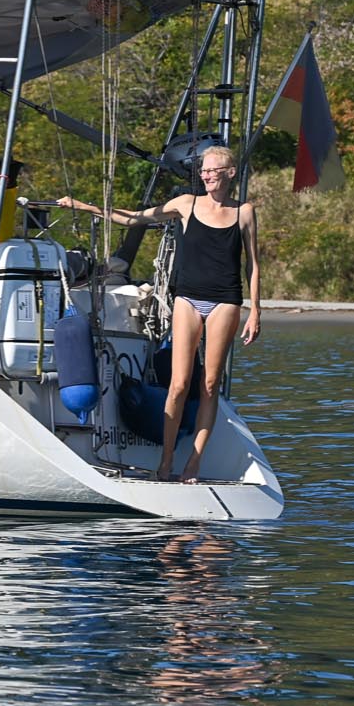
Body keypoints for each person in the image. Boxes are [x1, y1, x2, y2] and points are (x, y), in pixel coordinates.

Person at [51, 143, 260, 482]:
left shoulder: (244, 212)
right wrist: (83, 206)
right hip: (189, 298)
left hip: (226, 300)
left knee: (209, 384)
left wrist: (256, 311)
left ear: (229, 174)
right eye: (203, 170)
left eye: (212, 170)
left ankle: (193, 462)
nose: (205, 175)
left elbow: (253, 264)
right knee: (178, 384)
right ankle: (166, 461)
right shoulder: (186, 204)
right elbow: (134, 218)